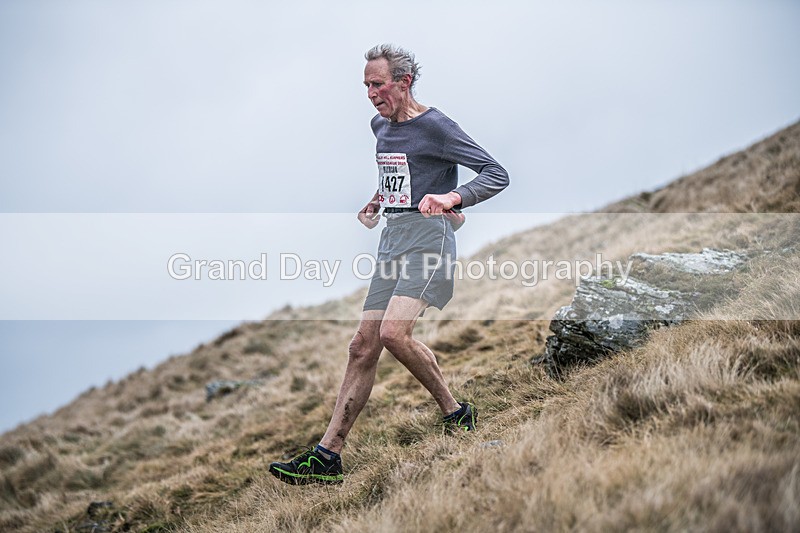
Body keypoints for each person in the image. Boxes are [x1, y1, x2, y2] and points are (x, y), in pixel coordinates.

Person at [269, 44, 509, 485]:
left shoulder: (437, 126)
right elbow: (399, 173)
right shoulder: (379, 124)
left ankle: (456, 412)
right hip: (392, 240)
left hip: (428, 240)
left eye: (377, 84)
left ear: (404, 82)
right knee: (363, 345)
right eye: (365, 85)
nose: (370, 93)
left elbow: (496, 174)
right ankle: (327, 457)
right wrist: (381, 199)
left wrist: (452, 197)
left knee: (393, 333)